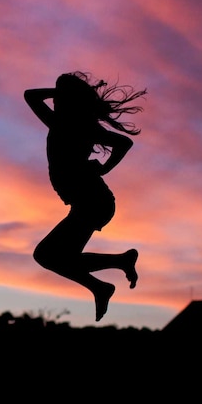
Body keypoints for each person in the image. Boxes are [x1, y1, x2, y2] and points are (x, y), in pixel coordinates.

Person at [24, 71, 145, 321]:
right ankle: (102, 284)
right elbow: (31, 97)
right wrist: (105, 168)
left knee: (47, 256)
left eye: (60, 96)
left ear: (68, 99)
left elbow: (31, 97)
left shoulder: (70, 124)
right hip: (91, 202)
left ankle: (117, 266)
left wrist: (104, 168)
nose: (55, 100)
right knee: (57, 258)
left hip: (93, 202)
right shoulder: (66, 123)